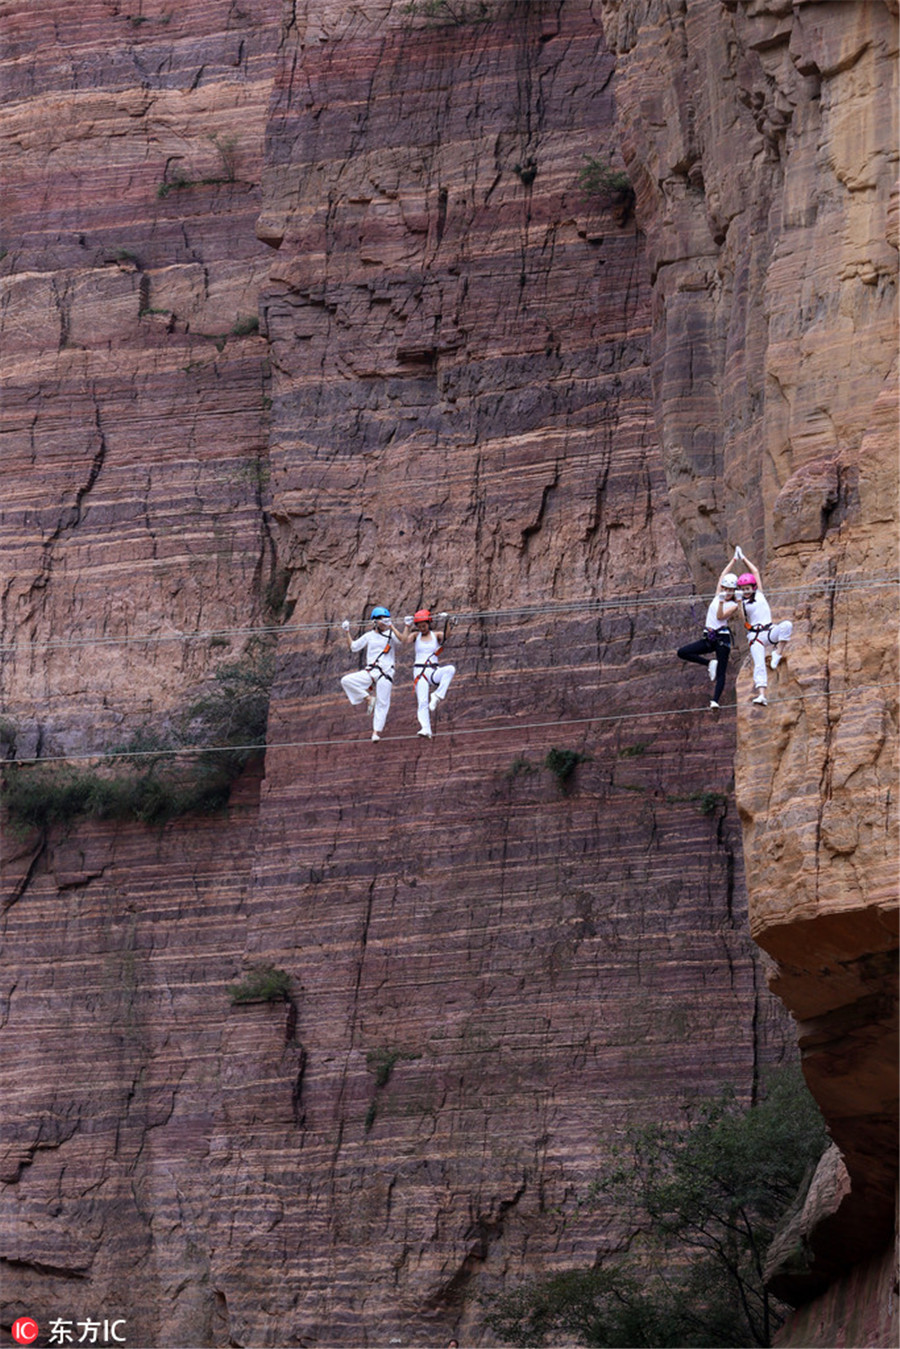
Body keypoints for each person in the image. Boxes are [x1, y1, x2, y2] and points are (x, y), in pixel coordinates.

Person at [732, 547, 792, 706]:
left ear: (753, 587)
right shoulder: (743, 602)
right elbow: (742, 619)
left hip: (769, 631)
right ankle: (762, 695)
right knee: (759, 664)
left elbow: (756, 571)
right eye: (743, 589)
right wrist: (739, 603)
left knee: (787, 625)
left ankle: (777, 653)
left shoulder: (759, 594)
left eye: (747, 588)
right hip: (755, 636)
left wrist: (743, 558)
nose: (745, 591)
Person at [339, 607, 406, 741]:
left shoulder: (391, 635)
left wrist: (392, 626)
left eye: (385, 620)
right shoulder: (369, 636)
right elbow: (353, 647)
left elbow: (403, 640)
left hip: (386, 672)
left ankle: (375, 732)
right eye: (381, 620)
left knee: (383, 702)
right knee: (346, 681)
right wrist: (346, 631)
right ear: (375, 622)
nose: (383, 623)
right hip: (371, 670)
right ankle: (368, 698)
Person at [677, 566, 740, 708]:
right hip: (709, 638)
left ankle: (715, 701)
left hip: (722, 639)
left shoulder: (734, 604)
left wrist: (723, 602)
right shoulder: (719, 594)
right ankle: (709, 664)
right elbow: (722, 573)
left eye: (731, 590)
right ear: (723, 587)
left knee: (722, 672)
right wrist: (734, 561)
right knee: (682, 652)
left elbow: (720, 616)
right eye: (726, 589)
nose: (728, 592)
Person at [401, 608, 455, 738]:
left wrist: (447, 621)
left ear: (428, 623)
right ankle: (425, 728)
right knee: (422, 701)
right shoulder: (416, 636)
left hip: (433, 670)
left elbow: (447, 635)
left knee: (450, 669)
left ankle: (437, 696)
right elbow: (403, 641)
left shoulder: (435, 635)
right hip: (420, 672)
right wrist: (407, 626)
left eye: (424, 625)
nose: (422, 628)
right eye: (419, 626)